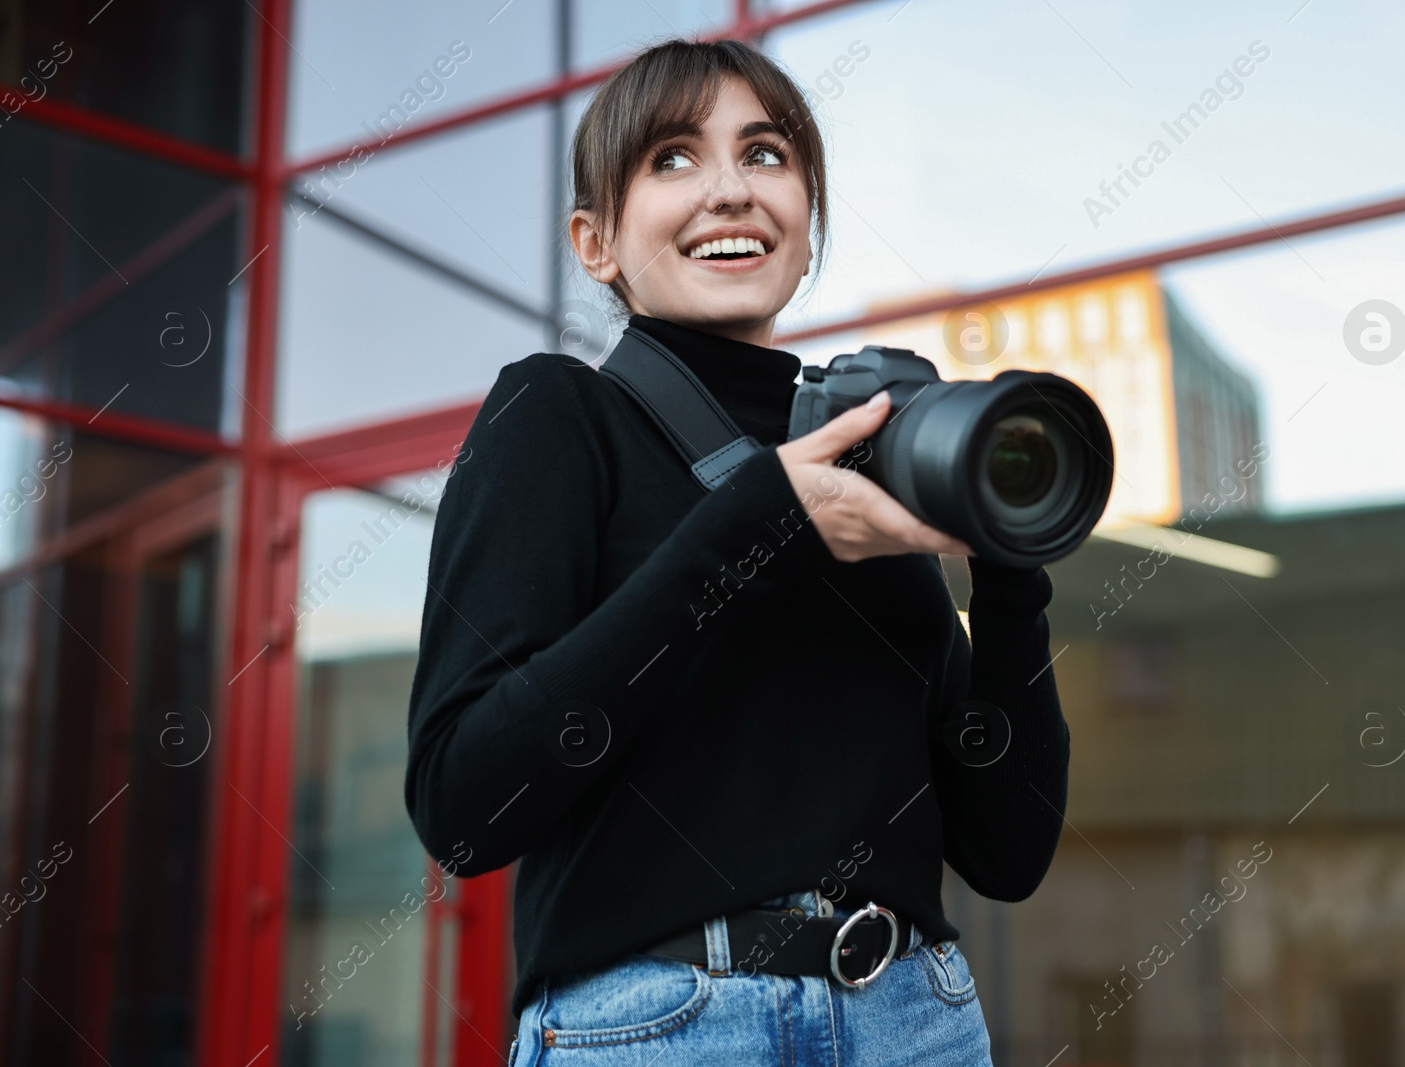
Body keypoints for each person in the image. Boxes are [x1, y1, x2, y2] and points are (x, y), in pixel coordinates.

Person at [405, 37, 1070, 1067]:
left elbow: (1008, 851)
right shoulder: (558, 414)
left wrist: (1011, 575)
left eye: (765, 155)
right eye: (672, 159)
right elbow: (463, 803)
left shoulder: (877, 460)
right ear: (596, 242)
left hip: (914, 1015)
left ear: (807, 228)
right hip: (660, 1025)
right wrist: (756, 523)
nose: (728, 190)